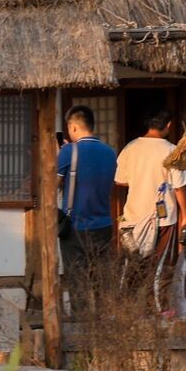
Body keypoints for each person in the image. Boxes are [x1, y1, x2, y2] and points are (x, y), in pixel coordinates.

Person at [114, 111, 186, 314]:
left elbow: (120, 181)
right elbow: (179, 187)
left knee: (133, 267)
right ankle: (159, 310)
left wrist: (140, 180)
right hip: (163, 220)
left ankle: (128, 311)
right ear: (168, 125)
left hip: (133, 217)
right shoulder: (172, 151)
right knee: (161, 267)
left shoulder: (130, 148)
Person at [56, 106, 119, 311]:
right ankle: (102, 322)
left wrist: (60, 155)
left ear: (73, 126)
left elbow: (52, 186)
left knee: (78, 283)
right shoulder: (110, 153)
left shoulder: (68, 151)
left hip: (76, 226)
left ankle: (81, 322)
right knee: (101, 282)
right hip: (104, 224)